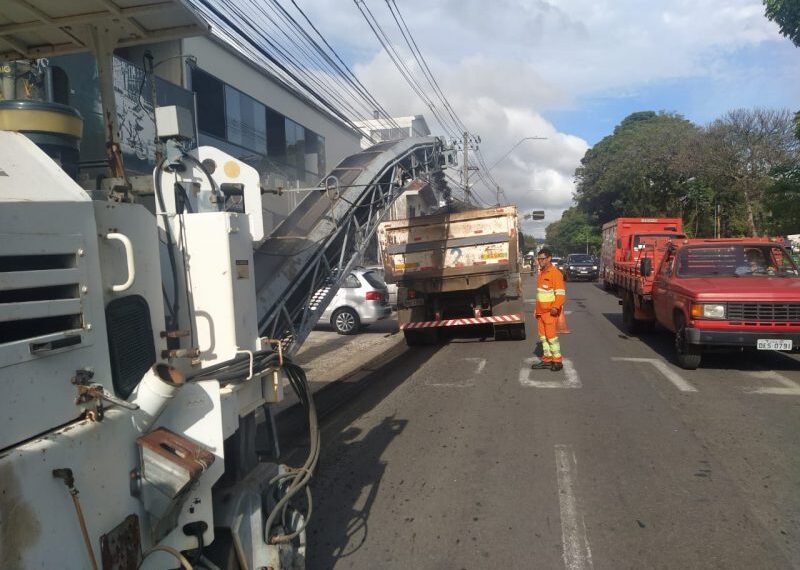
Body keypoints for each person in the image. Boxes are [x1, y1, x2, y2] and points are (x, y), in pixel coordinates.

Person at [532, 248, 566, 371]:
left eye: (542, 259)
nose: (540, 261)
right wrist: (536, 310)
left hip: (550, 312)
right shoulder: (541, 273)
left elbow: (561, 294)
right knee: (543, 338)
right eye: (539, 259)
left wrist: (555, 307)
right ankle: (547, 359)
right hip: (541, 312)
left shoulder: (555, 273)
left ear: (549, 258)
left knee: (551, 337)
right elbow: (540, 294)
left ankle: (557, 361)